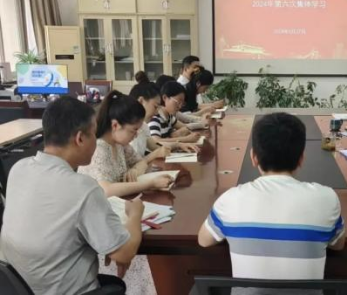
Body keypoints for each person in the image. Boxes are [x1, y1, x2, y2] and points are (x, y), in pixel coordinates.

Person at [1, 97, 143, 295]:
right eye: (94, 134)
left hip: (17, 288)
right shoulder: (83, 188)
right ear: (80, 138)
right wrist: (135, 214)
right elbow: (124, 253)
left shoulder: (19, 168)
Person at [198, 113, 346, 281]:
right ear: (301, 159)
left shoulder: (230, 200)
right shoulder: (326, 198)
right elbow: (338, 245)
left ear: (253, 157)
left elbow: (204, 241)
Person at [79, 91, 174, 295]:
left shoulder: (119, 145)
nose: (136, 135)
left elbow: (141, 161)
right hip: (100, 230)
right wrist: (148, 183)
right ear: (115, 125)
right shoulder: (99, 148)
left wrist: (136, 170)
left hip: (119, 212)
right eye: (134, 130)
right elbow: (106, 190)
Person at [130, 72, 199, 155]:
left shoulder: (143, 126)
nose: (156, 112)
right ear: (141, 101)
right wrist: (184, 140)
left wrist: (179, 145)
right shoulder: (126, 128)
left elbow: (155, 145)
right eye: (155, 106)